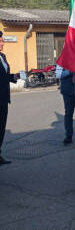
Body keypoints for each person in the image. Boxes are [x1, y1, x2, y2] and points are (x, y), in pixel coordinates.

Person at [0, 32, 18, 166]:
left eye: (2, 41)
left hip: (4, 98)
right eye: (1, 41)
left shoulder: (2, 56)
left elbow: (4, 76)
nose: (2, 43)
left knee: (1, 127)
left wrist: (14, 77)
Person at [55, 65, 75, 144]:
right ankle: (69, 135)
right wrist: (69, 72)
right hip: (67, 91)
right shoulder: (62, 60)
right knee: (68, 113)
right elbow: (57, 74)